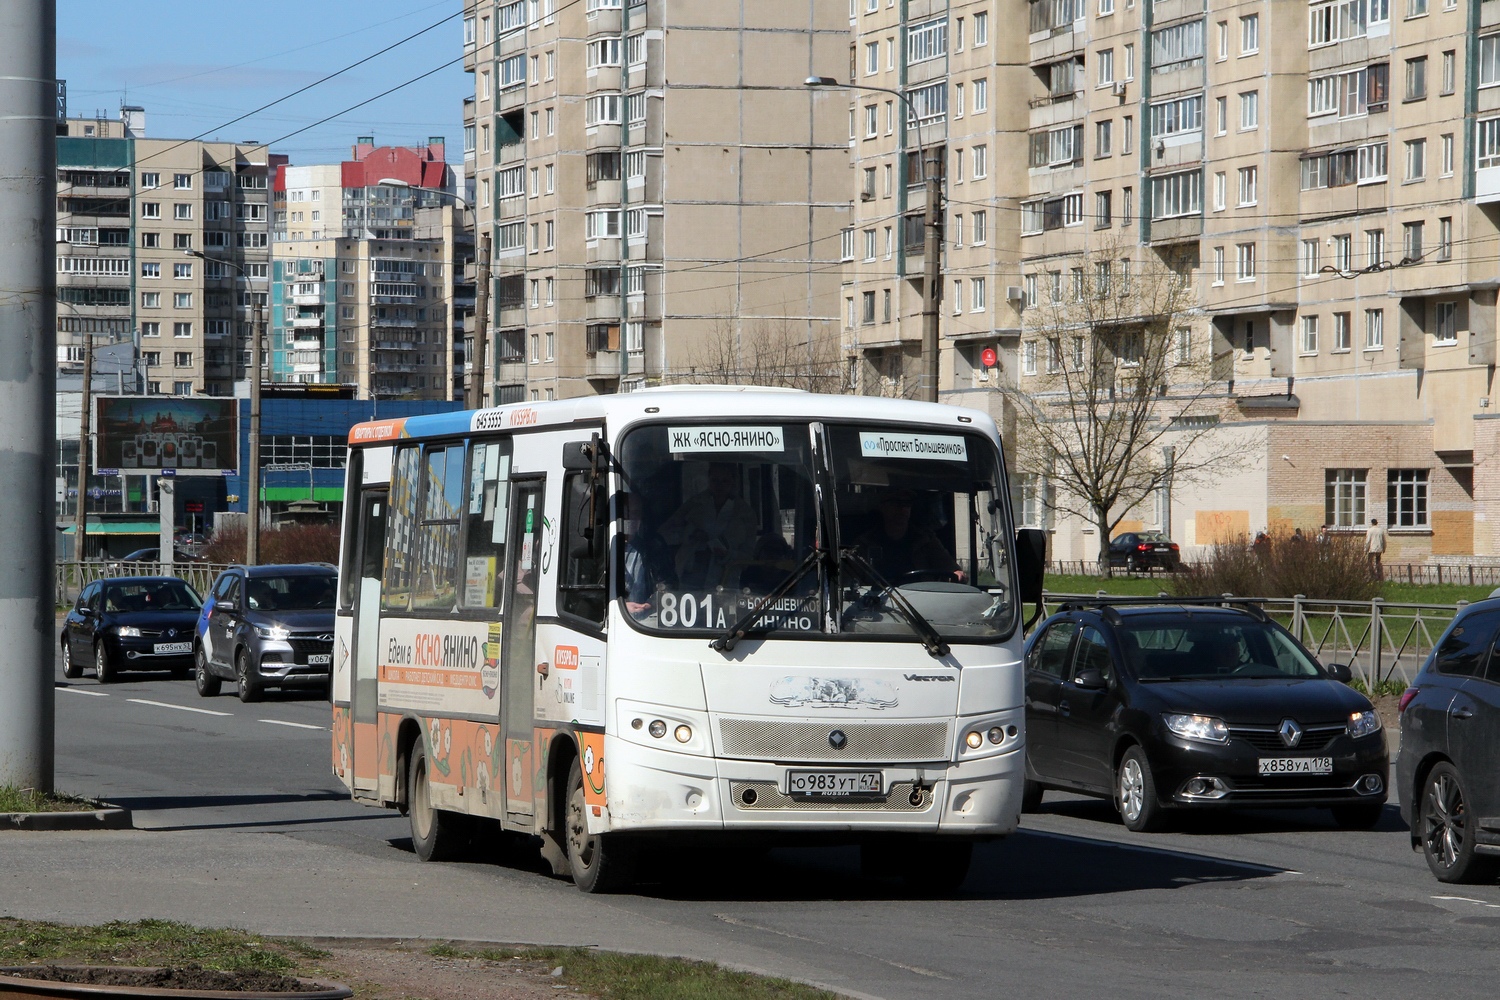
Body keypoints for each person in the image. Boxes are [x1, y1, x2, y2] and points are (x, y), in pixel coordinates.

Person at [659, 463, 756, 591]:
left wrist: (727, 554)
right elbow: (666, 532)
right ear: (708, 480)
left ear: (734, 481)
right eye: (714, 480)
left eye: (725, 481)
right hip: (690, 576)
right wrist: (690, 535)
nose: (719, 485)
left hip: (725, 581)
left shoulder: (745, 513)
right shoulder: (694, 505)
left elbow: (748, 558)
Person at [853, 489, 963, 583]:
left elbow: (951, 569)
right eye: (897, 503)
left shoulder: (926, 540)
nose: (903, 509)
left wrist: (957, 574)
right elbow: (851, 581)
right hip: (877, 604)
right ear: (882, 506)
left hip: (921, 602)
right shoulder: (864, 543)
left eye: (907, 504)